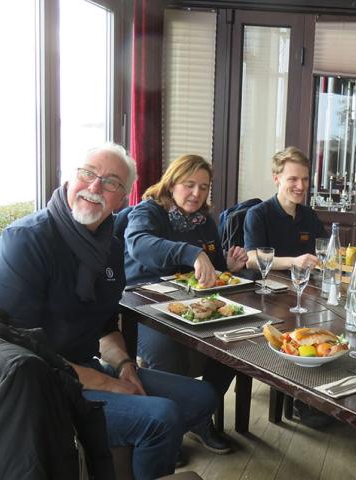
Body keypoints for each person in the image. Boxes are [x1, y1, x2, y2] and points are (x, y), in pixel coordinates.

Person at [0, 143, 219, 480]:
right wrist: (108, 384)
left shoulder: (109, 247)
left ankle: (121, 449)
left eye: (111, 182)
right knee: (161, 418)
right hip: (38, 389)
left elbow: (105, 323)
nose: (94, 187)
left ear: (122, 199)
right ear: (69, 178)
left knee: (202, 397)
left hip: (85, 368)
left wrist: (124, 366)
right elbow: (17, 349)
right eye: (87, 174)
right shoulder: (25, 241)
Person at [124, 154, 248, 454]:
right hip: (143, 305)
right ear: (172, 183)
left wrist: (228, 267)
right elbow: (139, 244)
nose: (196, 193)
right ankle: (167, 428)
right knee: (166, 351)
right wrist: (191, 253)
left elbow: (213, 268)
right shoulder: (149, 211)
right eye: (189, 185)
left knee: (232, 345)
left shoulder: (205, 222)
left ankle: (199, 418)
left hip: (193, 305)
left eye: (204, 187)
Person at [243, 146, 327, 270]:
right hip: (269, 282)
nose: (301, 186)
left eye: (305, 179)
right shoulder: (257, 214)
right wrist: (293, 262)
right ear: (276, 179)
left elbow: (327, 249)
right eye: (293, 179)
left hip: (306, 281)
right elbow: (252, 260)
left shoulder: (310, 215)